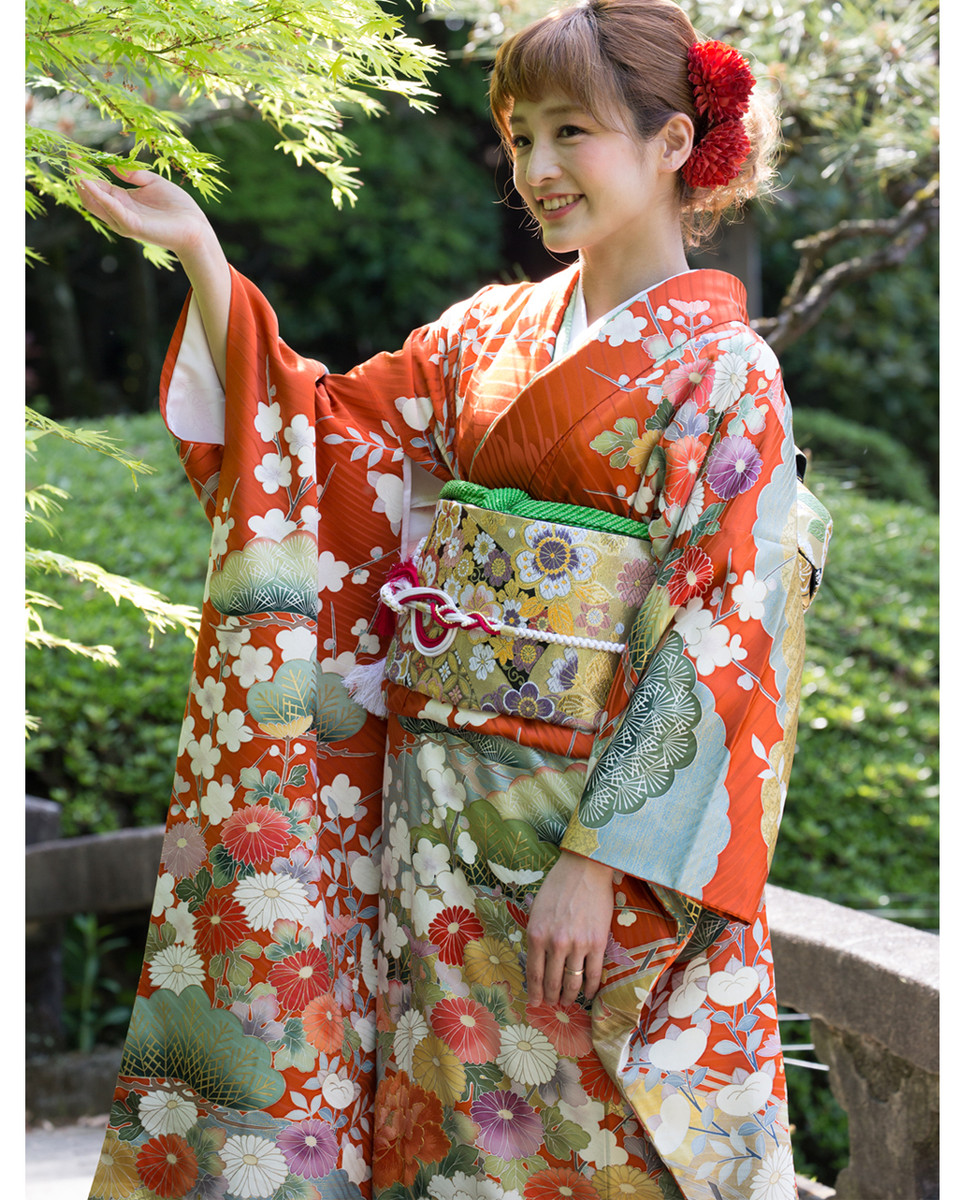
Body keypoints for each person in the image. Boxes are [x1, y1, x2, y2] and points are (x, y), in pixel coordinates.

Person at [77, 2, 830, 1197]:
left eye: (569, 131)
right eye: (520, 137)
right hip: (431, 823)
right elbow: (320, 438)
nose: (536, 168)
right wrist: (204, 260)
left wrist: (598, 862)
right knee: (448, 1133)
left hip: (583, 841)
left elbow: (722, 623)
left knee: (588, 1142)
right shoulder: (483, 334)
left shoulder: (728, 372)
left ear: (673, 142)